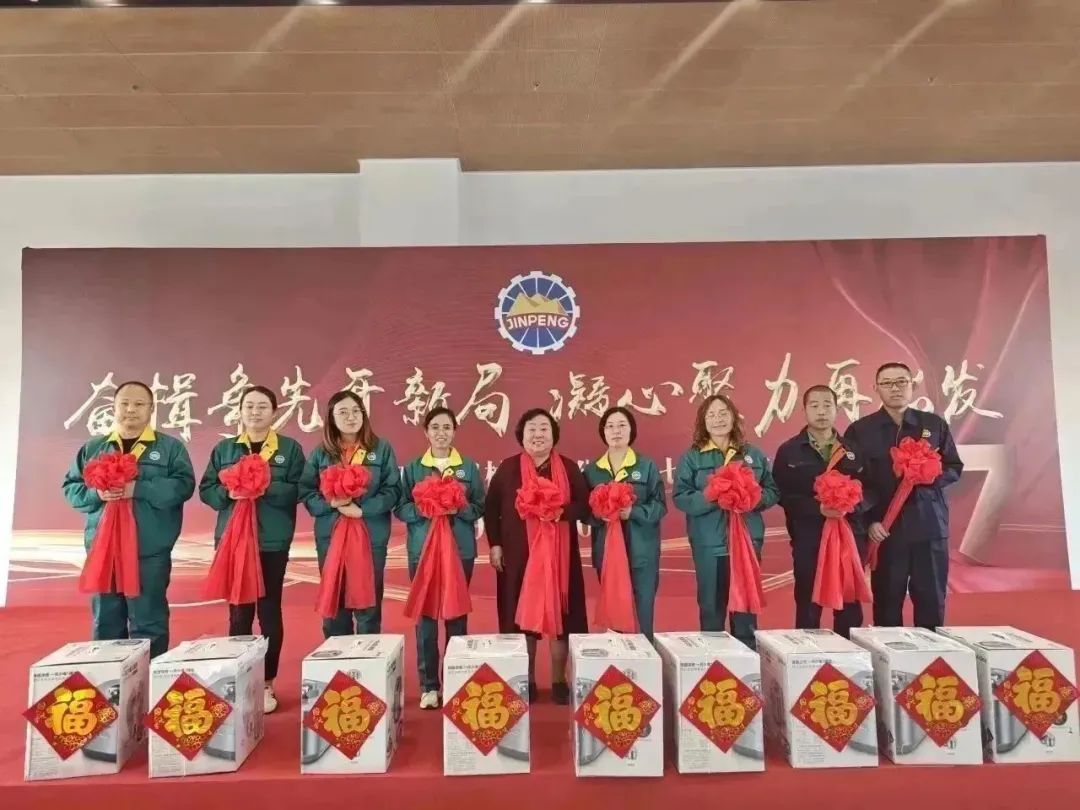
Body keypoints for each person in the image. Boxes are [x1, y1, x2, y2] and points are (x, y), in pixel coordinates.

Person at [62, 380, 195, 658]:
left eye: (139, 404)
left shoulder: (170, 448)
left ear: (151, 409)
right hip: (105, 550)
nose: (131, 409)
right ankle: (110, 677)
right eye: (124, 403)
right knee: (106, 621)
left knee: (149, 619)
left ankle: (148, 677)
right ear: (114, 408)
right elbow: (71, 488)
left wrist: (139, 489)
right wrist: (97, 493)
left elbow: (183, 486)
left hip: (149, 550)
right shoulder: (94, 448)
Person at [199, 385, 305, 713]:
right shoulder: (225, 449)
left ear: (274, 412)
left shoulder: (289, 449)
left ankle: (267, 682)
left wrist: (264, 486)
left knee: (269, 610)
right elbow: (207, 489)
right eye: (249, 406)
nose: (255, 412)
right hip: (234, 541)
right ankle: (239, 679)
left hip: (272, 540)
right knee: (239, 611)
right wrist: (229, 493)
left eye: (262, 406)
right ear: (241, 411)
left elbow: (301, 489)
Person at [844, 362, 963, 629]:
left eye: (901, 382)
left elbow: (954, 467)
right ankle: (889, 653)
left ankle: (932, 651)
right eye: (887, 383)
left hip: (929, 526)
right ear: (876, 388)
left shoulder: (933, 425)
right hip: (886, 530)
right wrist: (870, 522)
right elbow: (854, 482)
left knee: (932, 599)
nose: (895, 388)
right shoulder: (860, 430)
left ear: (913, 386)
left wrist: (928, 474)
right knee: (887, 601)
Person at [484, 408, 589, 704]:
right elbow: (491, 509)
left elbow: (584, 505)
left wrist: (560, 512)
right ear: (522, 435)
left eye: (544, 428)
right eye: (532, 428)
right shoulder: (508, 469)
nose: (538, 434)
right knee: (520, 620)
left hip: (560, 558)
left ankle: (559, 679)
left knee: (563, 619)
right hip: (518, 558)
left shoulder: (568, 468)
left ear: (554, 435)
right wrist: (495, 545)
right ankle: (525, 679)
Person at [395, 407, 485, 710]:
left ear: (455, 431)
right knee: (426, 618)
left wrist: (458, 507)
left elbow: (479, 506)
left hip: (460, 550)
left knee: (456, 615)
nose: (441, 433)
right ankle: (429, 686)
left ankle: (456, 681)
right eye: (435, 427)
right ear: (426, 432)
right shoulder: (414, 468)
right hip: (422, 551)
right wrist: (425, 508)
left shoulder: (468, 467)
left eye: (447, 427)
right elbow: (401, 508)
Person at [673, 394, 779, 649]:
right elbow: (681, 497)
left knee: (745, 608)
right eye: (711, 415)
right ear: (703, 422)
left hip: (747, 542)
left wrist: (750, 499)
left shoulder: (753, 454)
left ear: (733, 418)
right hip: (709, 544)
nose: (718, 419)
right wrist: (712, 496)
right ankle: (715, 660)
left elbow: (772, 491)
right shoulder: (692, 458)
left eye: (723, 413)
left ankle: (747, 660)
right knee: (711, 606)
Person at [299, 391, 401, 637]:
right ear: (331, 418)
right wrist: (332, 503)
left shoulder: (381, 449)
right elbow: (306, 492)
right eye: (343, 412)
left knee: (368, 604)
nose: (351, 417)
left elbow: (393, 490)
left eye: (356, 411)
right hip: (331, 537)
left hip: (369, 535)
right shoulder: (321, 453)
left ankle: (369, 655)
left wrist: (362, 510)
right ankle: (336, 655)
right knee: (335, 603)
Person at [773, 385, 868, 638]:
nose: (821, 411)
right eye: (814, 406)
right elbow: (782, 495)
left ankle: (849, 652)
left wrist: (851, 504)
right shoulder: (789, 450)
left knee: (849, 602)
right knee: (807, 602)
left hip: (849, 537)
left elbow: (872, 490)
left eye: (827, 405)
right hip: (809, 538)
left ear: (837, 409)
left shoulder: (853, 449)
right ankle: (807, 652)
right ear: (804, 410)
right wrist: (818, 508)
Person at [582, 406, 667, 640]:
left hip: (642, 553)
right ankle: (619, 660)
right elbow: (583, 512)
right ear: (603, 432)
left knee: (642, 611)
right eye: (610, 426)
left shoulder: (646, 466)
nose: (616, 431)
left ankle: (646, 656)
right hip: (607, 553)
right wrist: (598, 514)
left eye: (621, 425)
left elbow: (660, 506)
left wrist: (634, 512)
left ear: (631, 430)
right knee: (614, 613)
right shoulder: (592, 470)